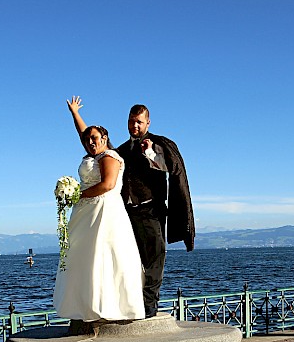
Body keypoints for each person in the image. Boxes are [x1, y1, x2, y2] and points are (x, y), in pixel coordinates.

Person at [53, 98, 145, 323]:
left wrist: (76, 195)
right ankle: (85, 307)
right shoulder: (92, 153)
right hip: (85, 213)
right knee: (83, 257)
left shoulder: (109, 157)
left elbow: (108, 185)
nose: (90, 142)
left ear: (104, 139)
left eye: (95, 138)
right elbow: (83, 132)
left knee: (101, 256)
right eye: (87, 140)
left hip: (104, 211)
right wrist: (74, 113)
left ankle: (109, 307)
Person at [117, 104, 194, 318]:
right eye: (131, 121)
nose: (135, 125)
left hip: (152, 211)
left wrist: (150, 153)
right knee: (131, 258)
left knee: (155, 257)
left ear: (148, 122)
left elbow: (168, 166)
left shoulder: (158, 144)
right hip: (127, 213)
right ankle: (131, 301)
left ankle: (149, 305)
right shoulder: (121, 150)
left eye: (139, 122)